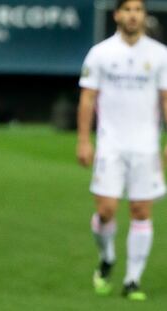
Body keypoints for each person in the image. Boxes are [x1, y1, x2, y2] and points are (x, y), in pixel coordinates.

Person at [77, 0, 167, 301]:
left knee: (141, 211)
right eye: (128, 9)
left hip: (146, 147)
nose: (133, 15)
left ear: (144, 15)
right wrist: (83, 140)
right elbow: (88, 99)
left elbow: (166, 100)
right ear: (117, 14)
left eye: (139, 10)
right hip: (110, 145)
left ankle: (132, 280)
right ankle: (107, 258)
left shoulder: (159, 55)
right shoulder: (101, 53)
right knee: (106, 211)